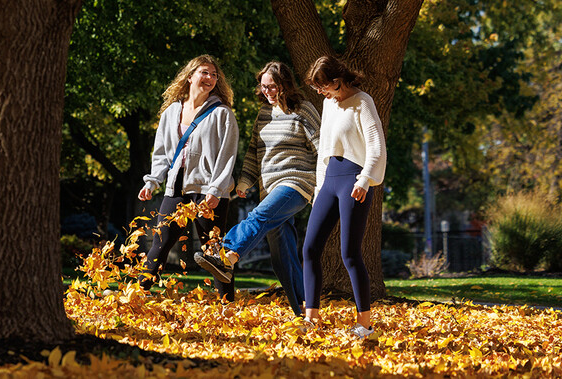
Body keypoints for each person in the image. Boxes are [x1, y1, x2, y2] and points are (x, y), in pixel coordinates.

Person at [193, 61, 320, 317]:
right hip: (269, 187)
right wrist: (244, 181)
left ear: (285, 84)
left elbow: (322, 149)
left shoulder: (303, 110)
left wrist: (322, 187)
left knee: (258, 217)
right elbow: (254, 150)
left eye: (273, 87)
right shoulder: (264, 113)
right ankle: (306, 313)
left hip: (297, 182)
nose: (268, 92)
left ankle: (225, 255)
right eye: (264, 87)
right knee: (282, 256)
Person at [138, 55, 239, 300]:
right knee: (160, 242)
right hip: (176, 188)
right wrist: (152, 181)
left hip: (208, 190)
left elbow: (228, 155)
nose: (210, 78)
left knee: (213, 250)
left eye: (214, 75)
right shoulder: (172, 112)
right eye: (205, 72)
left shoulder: (222, 114)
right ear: (190, 76)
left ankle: (227, 304)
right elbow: (162, 152)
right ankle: (137, 294)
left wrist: (216, 190)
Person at [299, 55, 387, 338]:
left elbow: (376, 148)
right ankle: (311, 320)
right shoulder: (328, 104)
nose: (321, 92)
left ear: (337, 82)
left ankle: (365, 324)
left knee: (350, 253)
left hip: (353, 181)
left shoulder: (363, 102)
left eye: (323, 87)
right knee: (310, 248)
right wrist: (319, 189)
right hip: (329, 180)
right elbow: (325, 148)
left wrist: (364, 181)